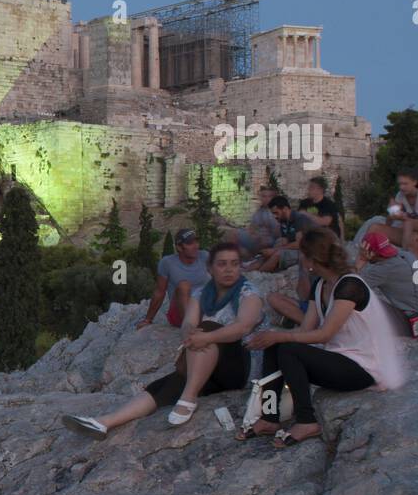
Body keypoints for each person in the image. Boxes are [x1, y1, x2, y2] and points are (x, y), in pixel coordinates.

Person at [63, 243, 264, 439]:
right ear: (210, 268)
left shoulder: (248, 293)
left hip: (242, 367)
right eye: (222, 264)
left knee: (208, 330)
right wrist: (190, 334)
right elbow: (188, 323)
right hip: (209, 368)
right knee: (164, 384)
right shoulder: (202, 293)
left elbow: (243, 327)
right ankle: (105, 422)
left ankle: (188, 397)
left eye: (234, 263)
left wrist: (205, 336)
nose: (229, 269)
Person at [241, 228, 407, 447]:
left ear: (311, 260)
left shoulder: (350, 286)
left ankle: (307, 420)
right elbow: (305, 329)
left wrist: (280, 336)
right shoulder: (320, 286)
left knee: (288, 348)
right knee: (277, 344)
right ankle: (269, 417)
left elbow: (325, 333)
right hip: (341, 359)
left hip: (366, 368)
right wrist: (273, 337)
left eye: (303, 255)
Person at [136, 229, 210, 329]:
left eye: (196, 241)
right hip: (178, 314)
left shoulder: (204, 256)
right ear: (179, 247)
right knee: (184, 285)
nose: (195, 246)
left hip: (203, 310)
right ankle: (189, 327)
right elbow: (160, 292)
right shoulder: (167, 263)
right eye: (190, 243)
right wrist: (148, 320)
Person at [355, 231, 418, 321]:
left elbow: (352, 289)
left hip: (409, 319)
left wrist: (359, 263)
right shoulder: (408, 255)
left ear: (371, 252)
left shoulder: (382, 270)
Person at [350, 169, 418, 247]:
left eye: (405, 184)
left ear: (415, 182)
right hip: (407, 230)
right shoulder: (400, 195)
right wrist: (391, 212)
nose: (401, 187)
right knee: (374, 224)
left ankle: (405, 254)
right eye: (400, 184)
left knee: (407, 223)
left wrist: (406, 219)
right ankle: (359, 250)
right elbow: (389, 222)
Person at [250, 196, 315, 273]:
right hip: (296, 249)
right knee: (277, 243)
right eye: (273, 213)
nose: (274, 216)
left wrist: (275, 250)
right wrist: (270, 250)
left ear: (285, 209)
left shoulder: (299, 219)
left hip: (307, 252)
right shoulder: (283, 220)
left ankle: (259, 275)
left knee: (278, 254)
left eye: (276, 213)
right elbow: (284, 240)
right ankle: (248, 270)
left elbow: (300, 244)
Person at [228, 186, 280, 259]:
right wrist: (253, 234)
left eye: (269, 196)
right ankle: (237, 257)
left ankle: (248, 256)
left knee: (263, 241)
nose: (266, 199)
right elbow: (252, 227)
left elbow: (277, 233)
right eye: (264, 196)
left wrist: (263, 237)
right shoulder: (259, 211)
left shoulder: (275, 212)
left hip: (268, 240)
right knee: (232, 234)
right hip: (256, 237)